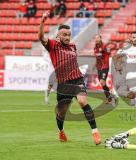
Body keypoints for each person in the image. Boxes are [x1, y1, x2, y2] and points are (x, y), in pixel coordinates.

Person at [38, 12, 101, 144]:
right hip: (63, 84)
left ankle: (95, 132)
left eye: (68, 34)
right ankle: (61, 131)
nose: (67, 37)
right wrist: (43, 22)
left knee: (83, 101)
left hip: (77, 79)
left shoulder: (73, 46)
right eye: (64, 35)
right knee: (62, 113)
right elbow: (41, 37)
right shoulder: (53, 45)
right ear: (58, 35)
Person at [112, 32, 136, 120]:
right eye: (133, 37)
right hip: (129, 72)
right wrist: (117, 66)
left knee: (133, 94)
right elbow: (116, 57)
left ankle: (117, 93)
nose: (135, 39)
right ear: (131, 38)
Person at [93, 34, 116, 105]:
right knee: (102, 84)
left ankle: (110, 97)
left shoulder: (104, 47)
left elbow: (110, 54)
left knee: (102, 82)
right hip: (99, 68)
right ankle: (109, 97)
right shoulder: (95, 48)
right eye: (95, 38)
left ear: (100, 38)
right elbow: (97, 58)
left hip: (105, 67)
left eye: (97, 38)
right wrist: (95, 65)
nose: (96, 39)